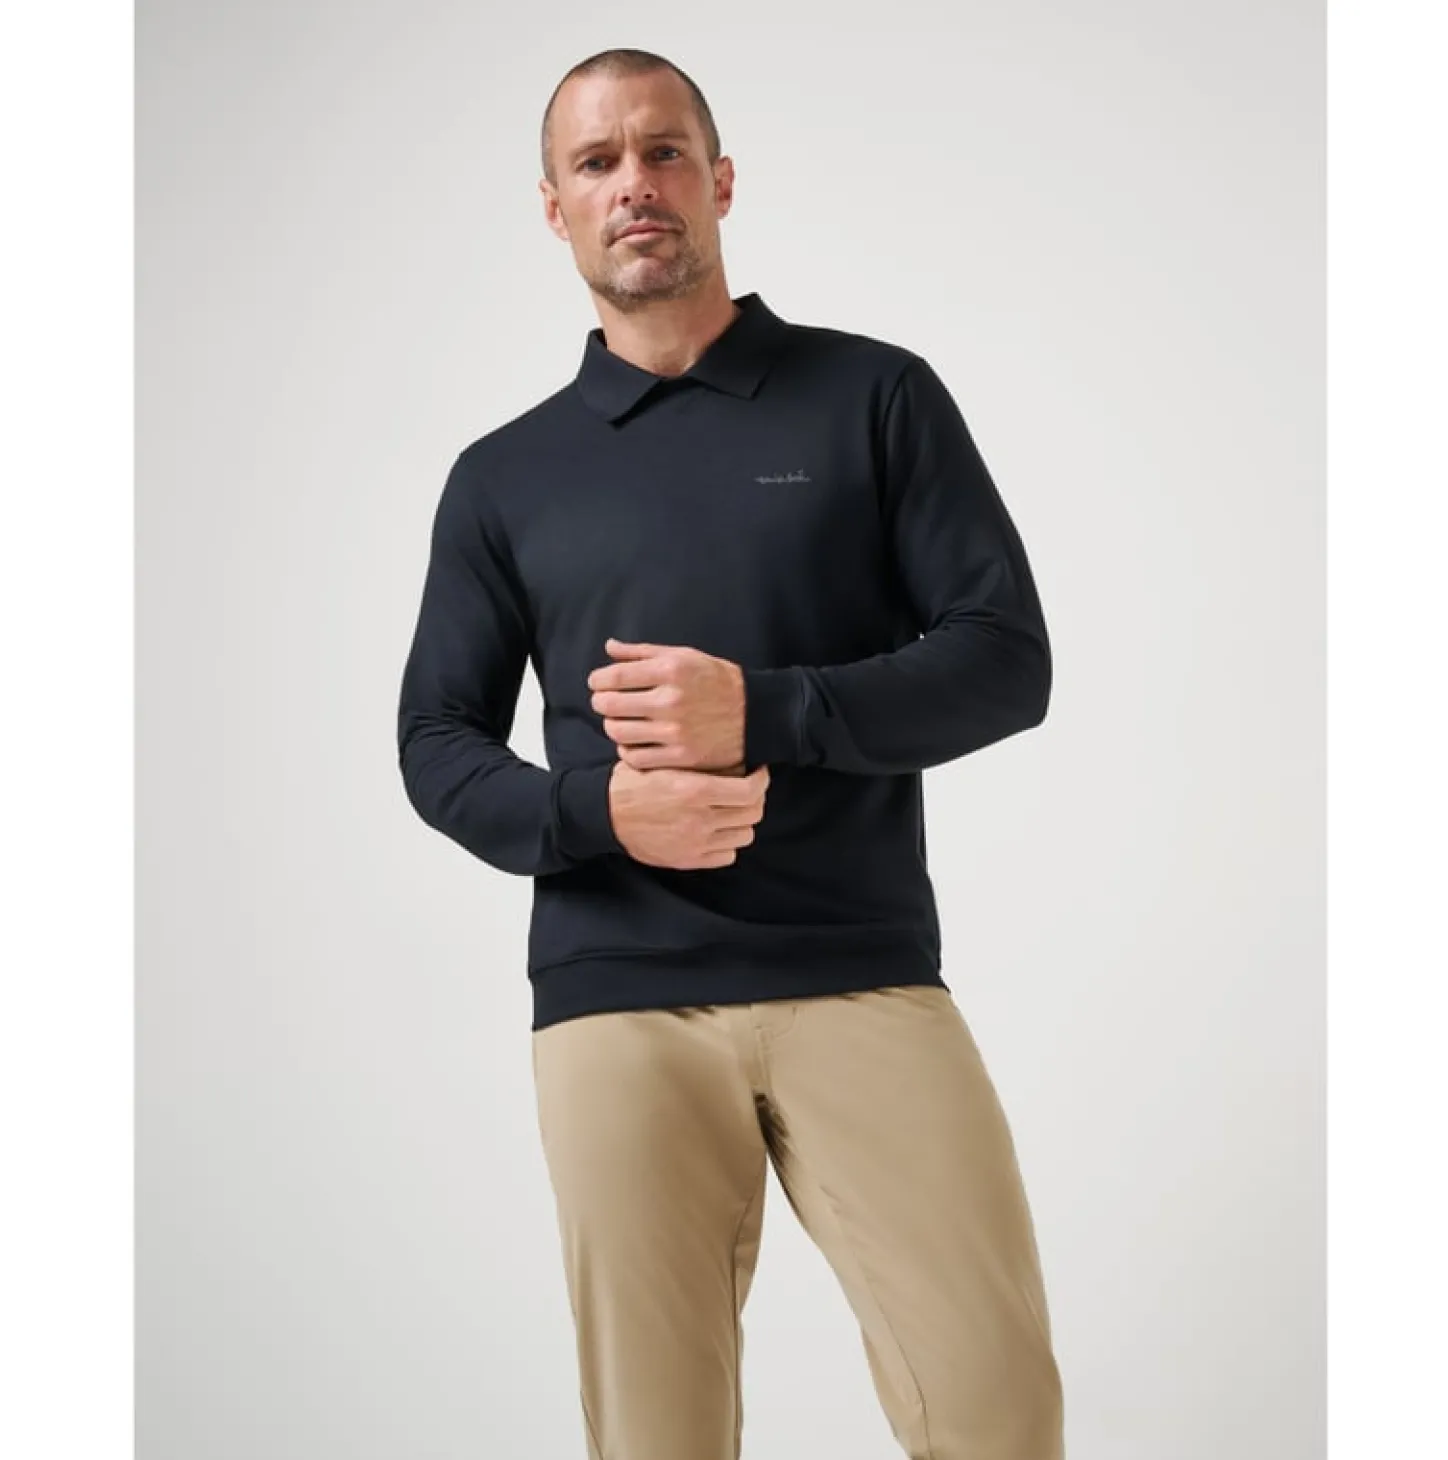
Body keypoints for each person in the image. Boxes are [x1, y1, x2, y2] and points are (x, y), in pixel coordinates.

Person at [396, 45, 1064, 1460]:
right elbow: (435, 743)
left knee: (996, 1407)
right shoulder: (503, 477)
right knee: (658, 1435)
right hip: (617, 1000)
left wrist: (761, 710)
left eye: (663, 151)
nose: (633, 183)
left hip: (861, 969)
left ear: (721, 180)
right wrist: (602, 815)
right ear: (555, 207)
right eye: (596, 162)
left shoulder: (875, 397)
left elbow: (1007, 658)